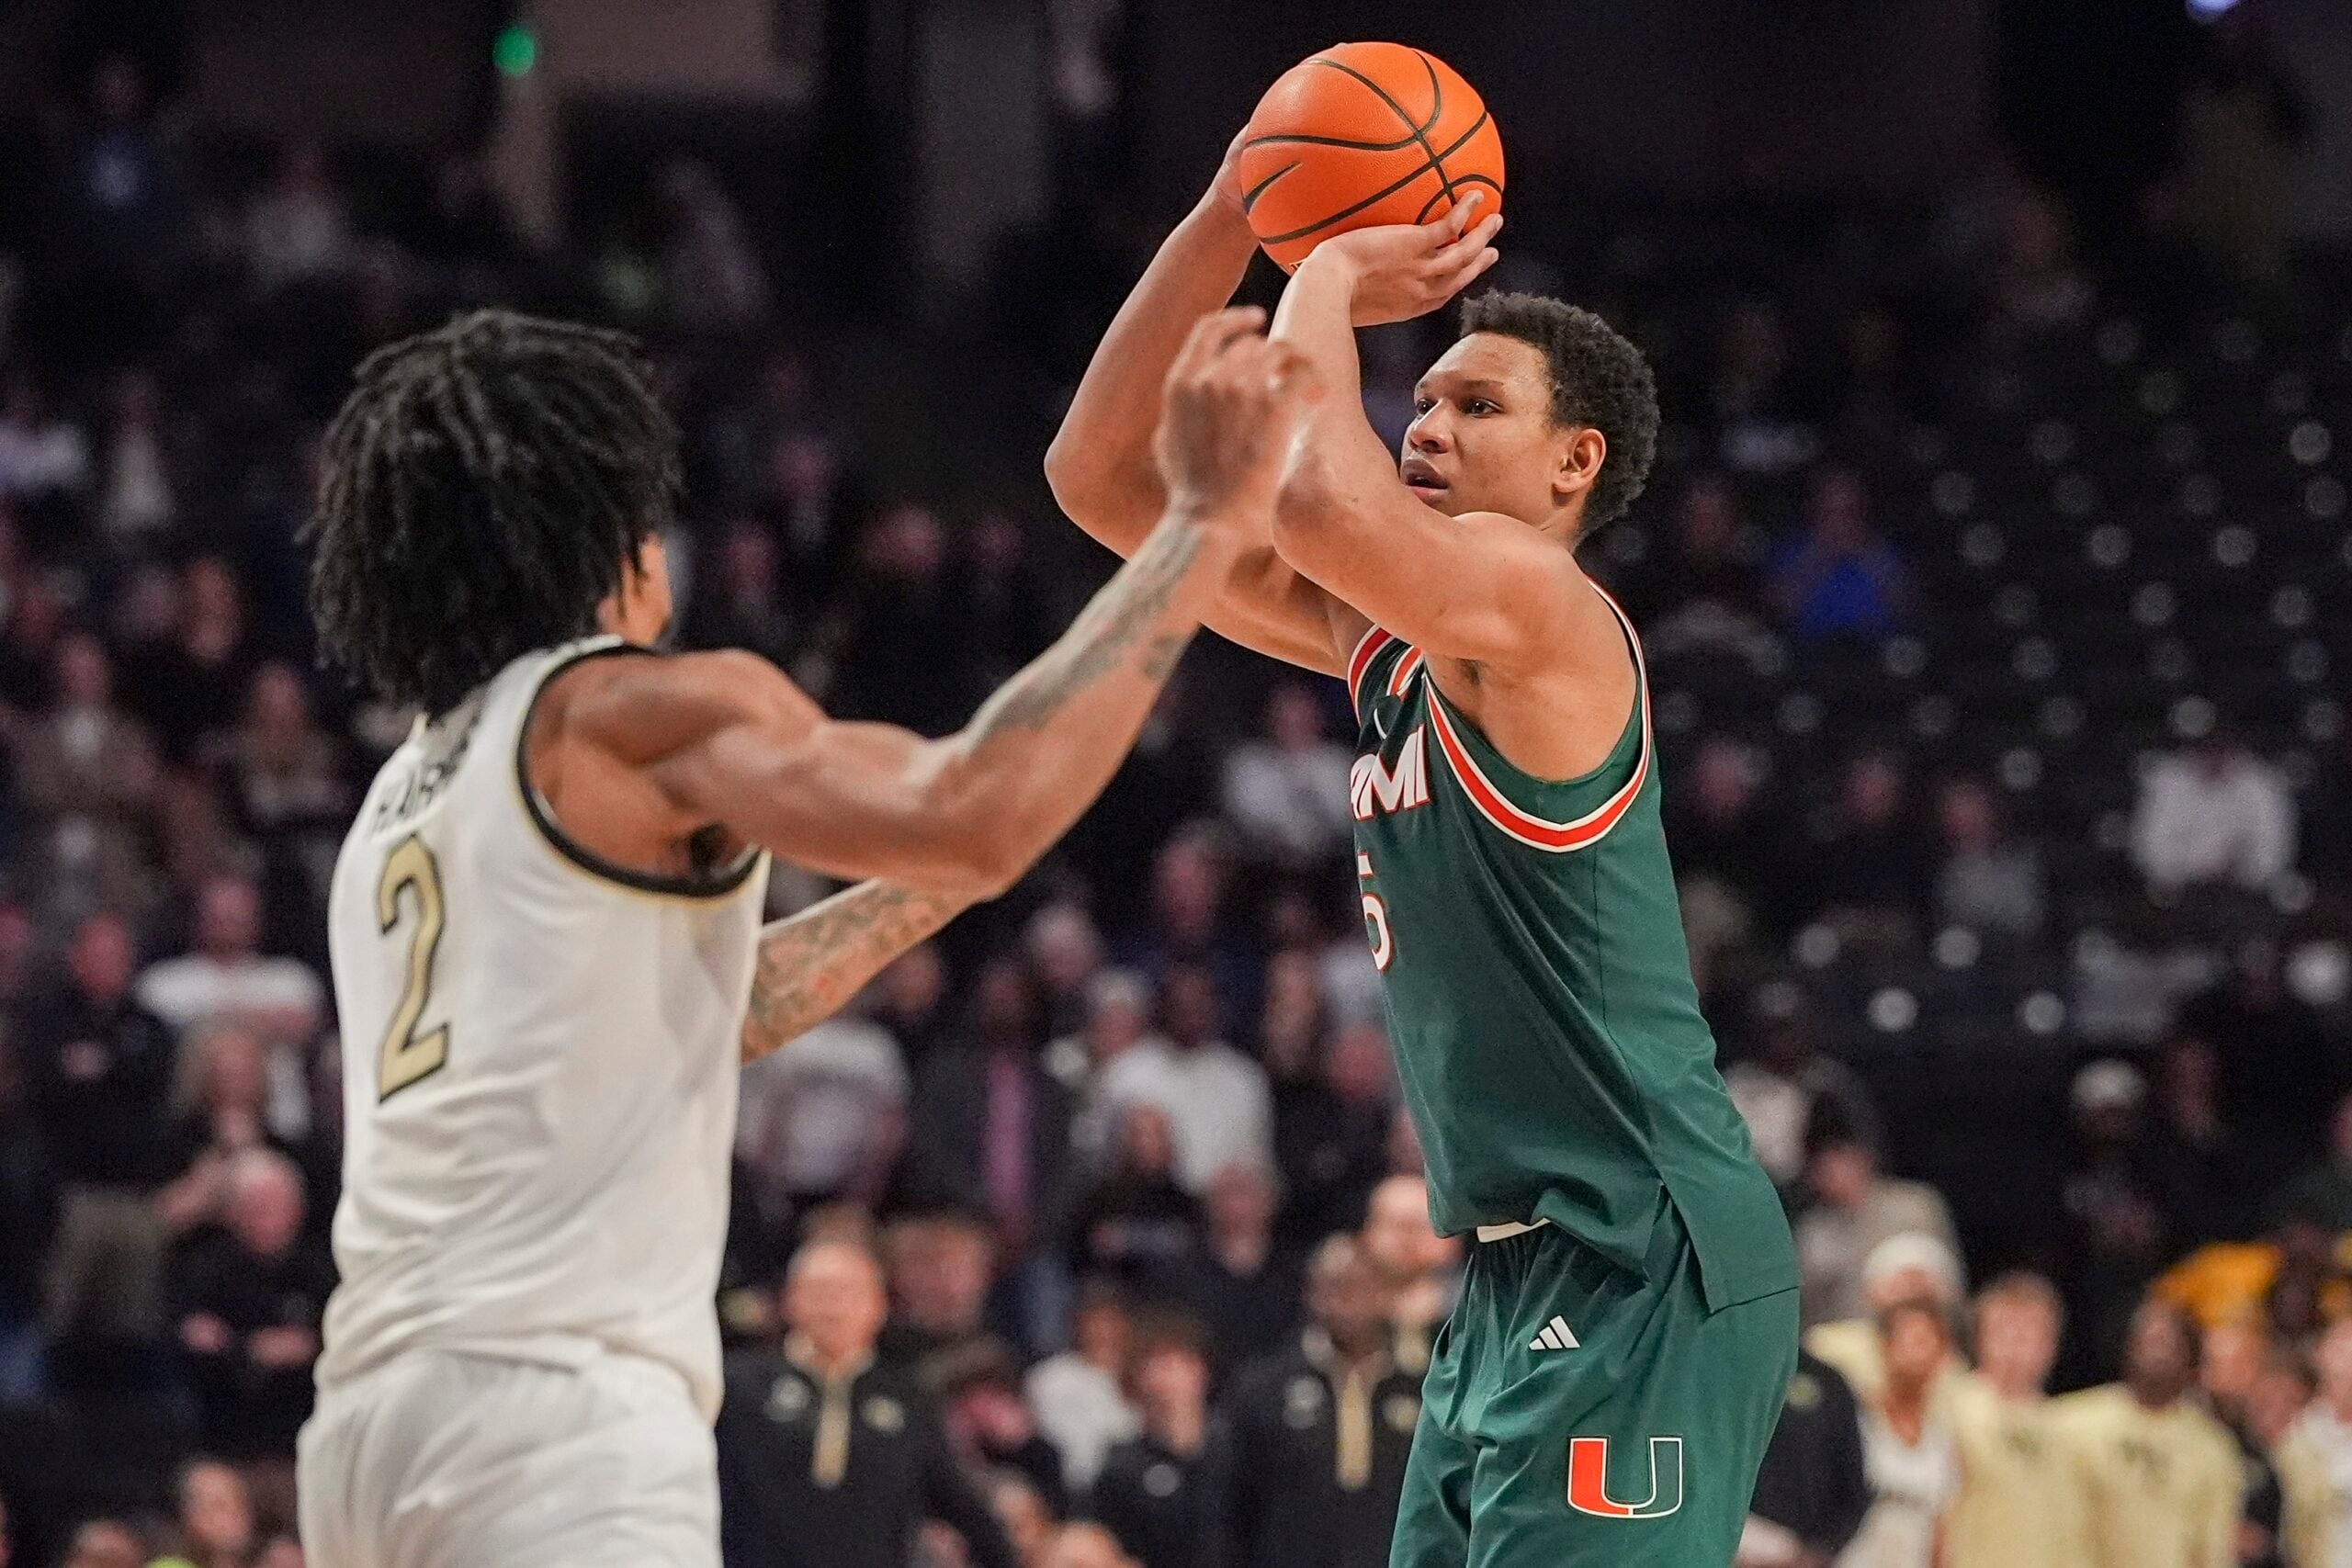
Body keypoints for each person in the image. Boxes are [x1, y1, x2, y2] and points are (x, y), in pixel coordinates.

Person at [293, 305, 1318, 1567]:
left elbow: (730, 1002)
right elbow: (975, 804)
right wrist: (1203, 520)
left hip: (368, 1425)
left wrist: (935, 887)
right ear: (616, 531)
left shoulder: (405, 795)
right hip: (558, 1419)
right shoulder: (631, 712)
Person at [1049, 140, 1797, 1565]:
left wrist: (1324, 267)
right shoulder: (1383, 630)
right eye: (1426, 393)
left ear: (1575, 461)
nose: (1426, 420)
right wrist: (1228, 213)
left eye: (1474, 401)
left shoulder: (1543, 601)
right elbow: (1098, 483)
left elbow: (1326, 504)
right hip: (1519, 1264)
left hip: (1646, 1245)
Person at [714, 1237, 1018, 1568]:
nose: (833, 1306)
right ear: (790, 1300)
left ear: (879, 1304)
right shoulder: (741, 1385)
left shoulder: (908, 1397)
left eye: (848, 1292)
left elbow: (963, 1506)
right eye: (819, 1292)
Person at [1224, 1235, 1421, 1568]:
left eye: (1361, 1286)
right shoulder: (1262, 1389)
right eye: (1334, 1286)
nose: (1347, 1300)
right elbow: (1231, 1505)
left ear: (1387, 1295)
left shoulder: (1423, 1387)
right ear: (1311, 1293)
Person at [2052, 1299, 2242, 1568]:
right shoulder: (2070, 1423)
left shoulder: (2212, 1448)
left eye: (2169, 1345)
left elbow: (2212, 1550)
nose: (2156, 1353)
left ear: (2191, 1363)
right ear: (2128, 1348)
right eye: (2149, 1341)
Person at [1943, 1274, 2079, 1568]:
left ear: (2050, 1346)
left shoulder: (2067, 1430)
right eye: (2004, 1330)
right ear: (1979, 1338)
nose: (2015, 1344)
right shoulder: (1950, 1405)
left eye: (2028, 1333)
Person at [1087, 1314, 1221, 1568]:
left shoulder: (1236, 1452)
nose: (1173, 1377)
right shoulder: (1121, 1470)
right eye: (1159, 1364)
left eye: (1183, 1362)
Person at [1836, 1301, 1957, 1568]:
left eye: (1928, 1342)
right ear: (1885, 1346)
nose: (1919, 1354)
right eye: (1911, 1341)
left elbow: (1939, 1532)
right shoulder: (1856, 1422)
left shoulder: (1941, 1443)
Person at [1740, 1352, 1871, 1568]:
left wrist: (1816, 1554)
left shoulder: (1828, 1382)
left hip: (1799, 1550)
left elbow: (1852, 1487)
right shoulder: (1731, 1370)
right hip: (1731, 1538)